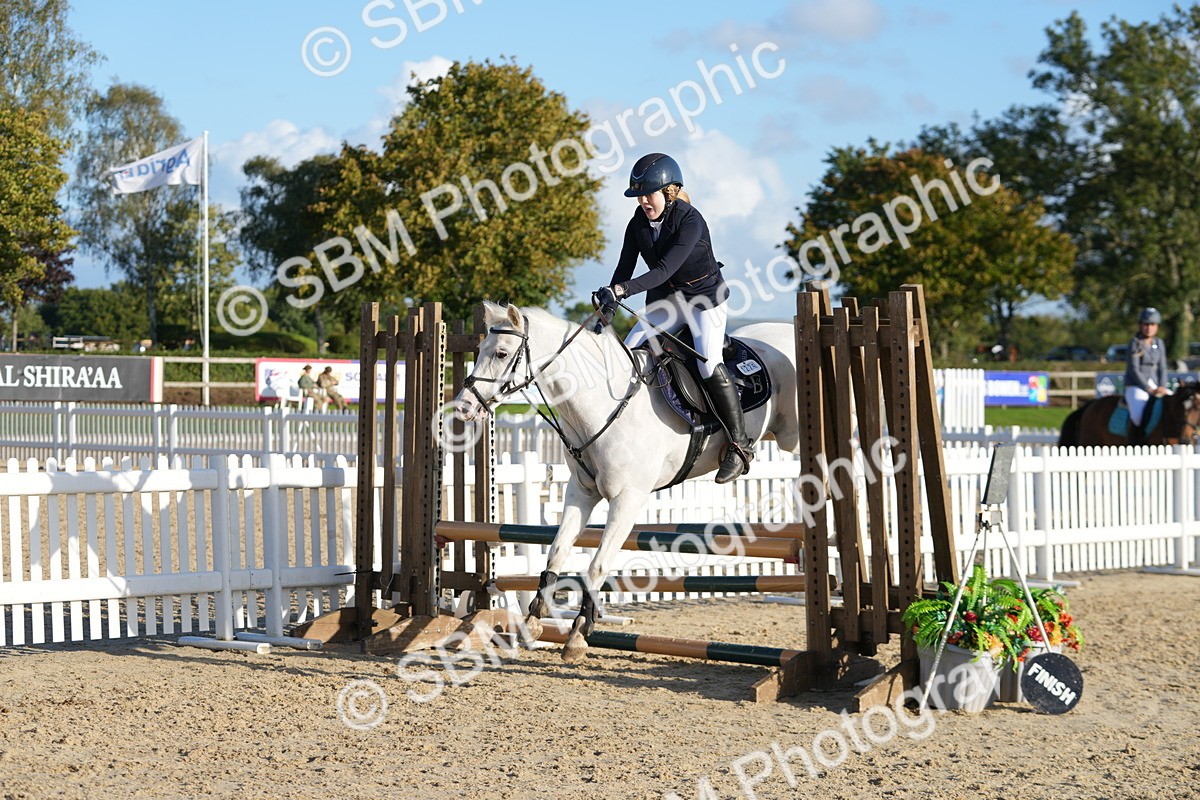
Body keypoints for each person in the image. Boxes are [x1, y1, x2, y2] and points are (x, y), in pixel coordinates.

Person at [593, 152, 751, 483]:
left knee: (707, 363)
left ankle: (739, 445)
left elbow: (665, 269)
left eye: (649, 194)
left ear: (670, 192)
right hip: (670, 300)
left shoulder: (690, 220)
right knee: (630, 349)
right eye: (639, 195)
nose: (643, 201)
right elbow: (624, 268)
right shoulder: (637, 223)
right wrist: (607, 307)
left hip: (706, 300)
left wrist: (622, 290)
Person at [1124, 307, 1170, 444]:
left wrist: (1162, 386)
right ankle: (1136, 441)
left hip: (1156, 384)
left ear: (1157, 326)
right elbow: (1134, 369)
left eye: (1152, 325)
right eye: (1146, 324)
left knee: (1176, 404)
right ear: (1140, 325)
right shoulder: (1135, 342)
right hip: (1136, 386)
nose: (1149, 328)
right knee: (1138, 415)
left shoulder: (1159, 343)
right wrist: (1148, 388)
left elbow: (1163, 367)